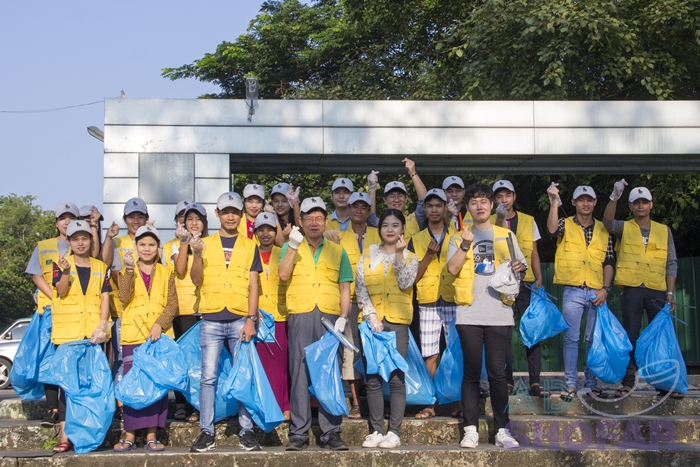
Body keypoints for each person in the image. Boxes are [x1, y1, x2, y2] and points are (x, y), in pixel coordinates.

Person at [446, 183, 526, 450]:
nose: (479, 206)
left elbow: (520, 269)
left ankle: (503, 428)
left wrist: (519, 267)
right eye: (473, 202)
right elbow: (453, 269)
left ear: (492, 206)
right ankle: (470, 429)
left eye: (484, 201)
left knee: (497, 374)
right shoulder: (458, 236)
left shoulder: (507, 236)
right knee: (470, 373)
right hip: (468, 313)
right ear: (467, 208)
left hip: (499, 314)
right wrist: (466, 246)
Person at [188, 192, 262, 452]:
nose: (231, 216)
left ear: (241, 216)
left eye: (235, 211)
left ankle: (247, 430)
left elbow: (254, 285)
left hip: (240, 319)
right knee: (208, 377)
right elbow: (196, 280)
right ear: (217, 214)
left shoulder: (250, 245)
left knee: (244, 374)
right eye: (225, 211)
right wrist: (196, 254)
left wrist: (251, 319)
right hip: (211, 318)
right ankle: (206, 431)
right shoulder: (203, 243)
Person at [278, 197, 353, 451]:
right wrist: (291, 247)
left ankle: (331, 431)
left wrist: (343, 317)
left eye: (319, 217)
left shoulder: (337, 250)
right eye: (308, 217)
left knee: (329, 372)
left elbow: (345, 285)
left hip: (331, 317)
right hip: (300, 313)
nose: (313, 222)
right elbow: (283, 274)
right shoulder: (290, 246)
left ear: (325, 221)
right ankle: (298, 433)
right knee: (299, 373)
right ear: (300, 221)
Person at [603, 180, 679, 398]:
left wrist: (670, 292)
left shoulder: (664, 231)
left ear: (651, 205)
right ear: (631, 206)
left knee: (659, 338)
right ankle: (628, 382)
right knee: (631, 336)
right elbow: (607, 222)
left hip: (657, 290)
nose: (641, 206)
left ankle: (664, 384)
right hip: (633, 290)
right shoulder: (625, 227)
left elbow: (671, 262)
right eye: (636, 203)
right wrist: (615, 196)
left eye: (644, 202)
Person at [547, 183, 615, 400]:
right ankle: (570, 384)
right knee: (571, 338)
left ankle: (592, 383)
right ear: (574, 202)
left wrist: (605, 289)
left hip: (597, 291)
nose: (585, 203)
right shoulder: (565, 224)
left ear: (595, 203)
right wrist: (554, 202)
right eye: (581, 199)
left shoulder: (604, 229)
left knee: (593, 339)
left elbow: (609, 260)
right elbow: (550, 230)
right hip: (573, 290)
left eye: (589, 199)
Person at [357, 209, 418, 449]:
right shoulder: (367, 256)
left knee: (395, 377)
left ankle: (394, 431)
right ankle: (376, 430)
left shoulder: (411, 256)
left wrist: (400, 255)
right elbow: (361, 287)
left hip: (397, 322)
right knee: (372, 378)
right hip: (372, 322)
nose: (390, 229)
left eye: (395, 225)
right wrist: (371, 316)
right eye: (385, 225)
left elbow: (405, 283)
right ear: (379, 229)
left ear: (403, 229)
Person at [113, 225, 177, 452]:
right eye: (142, 244)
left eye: (151, 244)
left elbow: (172, 304)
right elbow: (123, 297)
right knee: (132, 386)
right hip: (133, 336)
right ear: (136, 247)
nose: (147, 249)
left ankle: (152, 435)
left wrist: (160, 324)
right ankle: (129, 435)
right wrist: (129, 271)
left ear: (158, 248)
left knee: (156, 388)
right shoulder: (127, 270)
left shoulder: (166, 272)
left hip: (158, 338)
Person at [50, 220, 111, 452]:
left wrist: (102, 325)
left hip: (92, 334)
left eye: (84, 238)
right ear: (70, 242)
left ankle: (89, 431)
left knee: (91, 384)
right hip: (68, 334)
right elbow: (61, 290)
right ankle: (65, 436)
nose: (80, 242)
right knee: (67, 386)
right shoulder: (61, 264)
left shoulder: (100, 267)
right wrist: (65, 272)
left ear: (90, 240)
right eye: (75, 239)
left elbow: (105, 297)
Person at [25, 203, 79, 429]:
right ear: (56, 223)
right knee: (48, 360)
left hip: (75, 311)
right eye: (62, 219)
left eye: (71, 218)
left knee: (68, 361)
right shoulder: (44, 246)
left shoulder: (82, 244)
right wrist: (53, 296)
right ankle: (52, 407)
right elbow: (36, 275)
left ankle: (70, 408)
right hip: (49, 311)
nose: (66, 223)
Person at [328, 192, 381, 419]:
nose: (359, 211)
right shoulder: (338, 236)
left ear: (369, 211)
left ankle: (377, 399)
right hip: (349, 302)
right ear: (348, 210)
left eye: (363, 207)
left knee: (374, 350)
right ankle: (356, 400)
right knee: (351, 350)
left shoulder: (378, 235)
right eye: (354, 207)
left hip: (376, 301)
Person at [491, 180, 545, 397]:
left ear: (514, 197)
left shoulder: (529, 220)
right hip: (501, 283)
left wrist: (539, 276)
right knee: (503, 332)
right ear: (494, 200)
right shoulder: (490, 221)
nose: (504, 200)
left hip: (526, 282)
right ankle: (507, 380)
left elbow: (533, 252)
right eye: (499, 196)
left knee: (532, 331)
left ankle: (535, 381)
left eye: (507, 195)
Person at [407, 188, 457, 419]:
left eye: (439, 205)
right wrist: (427, 255)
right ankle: (430, 403)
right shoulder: (415, 239)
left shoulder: (458, 235)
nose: (434, 209)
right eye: (430, 205)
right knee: (430, 355)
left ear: (446, 208)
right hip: (427, 300)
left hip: (453, 298)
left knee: (456, 351)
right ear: (424, 209)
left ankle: (456, 400)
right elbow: (412, 277)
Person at [101, 197, 150, 421]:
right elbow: (106, 265)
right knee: (121, 359)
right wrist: (108, 238)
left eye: (140, 216)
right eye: (132, 217)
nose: (136, 221)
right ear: (125, 220)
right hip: (121, 310)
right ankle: (119, 403)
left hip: (145, 312)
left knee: (142, 359)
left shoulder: (151, 241)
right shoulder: (117, 243)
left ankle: (139, 402)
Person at [169, 202, 207, 422]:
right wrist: (185, 243)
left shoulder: (211, 244)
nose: (193, 223)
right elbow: (180, 269)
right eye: (189, 219)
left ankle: (200, 405)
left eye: (197, 219)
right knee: (182, 359)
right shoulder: (172, 246)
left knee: (202, 361)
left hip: (203, 309)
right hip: (181, 311)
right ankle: (182, 403)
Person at [253, 212, 290, 420]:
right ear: (255, 232)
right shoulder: (250, 253)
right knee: (262, 365)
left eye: (270, 229)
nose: (266, 233)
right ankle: (263, 405)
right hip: (258, 316)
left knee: (282, 364)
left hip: (281, 315)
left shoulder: (283, 252)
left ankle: (284, 405)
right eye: (261, 229)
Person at [366, 159, 427, 241]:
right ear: (385, 200)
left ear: (406, 199)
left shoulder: (415, 220)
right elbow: (370, 215)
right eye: (392, 196)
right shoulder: (381, 223)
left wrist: (413, 173)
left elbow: (425, 201)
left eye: (400, 195)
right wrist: (372, 188)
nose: (396, 200)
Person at [162, 199, 194, 272]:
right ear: (176, 220)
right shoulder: (168, 246)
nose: (185, 220)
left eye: (189, 216)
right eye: (182, 216)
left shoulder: (205, 242)